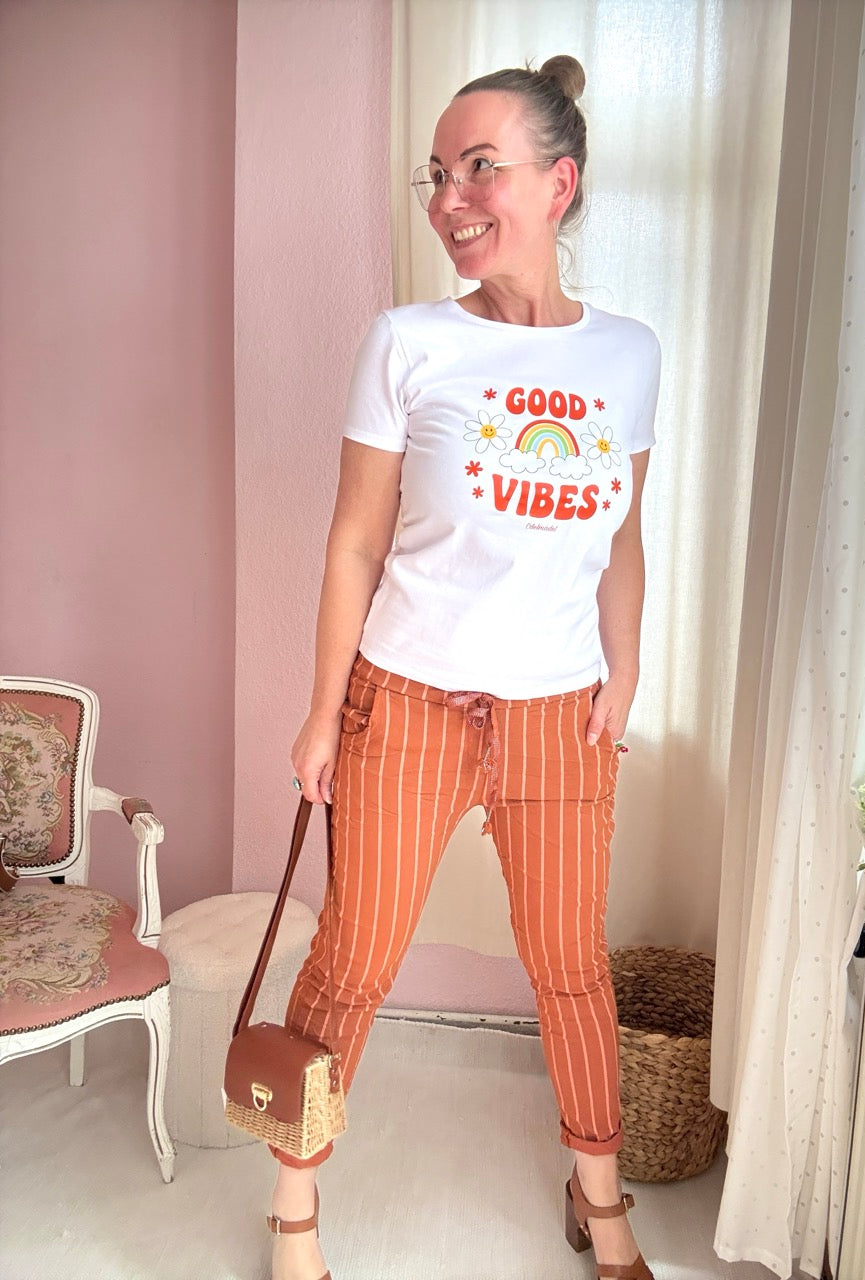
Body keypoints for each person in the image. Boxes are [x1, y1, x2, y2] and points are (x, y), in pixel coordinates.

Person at [269, 55, 661, 1280]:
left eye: (479, 168)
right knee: (354, 961)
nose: (450, 199)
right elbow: (354, 540)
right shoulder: (409, 341)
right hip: (408, 700)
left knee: (572, 970)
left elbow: (623, 538)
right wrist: (322, 711)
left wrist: (624, 673)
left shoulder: (629, 354)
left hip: (560, 711)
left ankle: (601, 1200)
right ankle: (294, 1209)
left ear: (559, 183)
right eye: (437, 174)